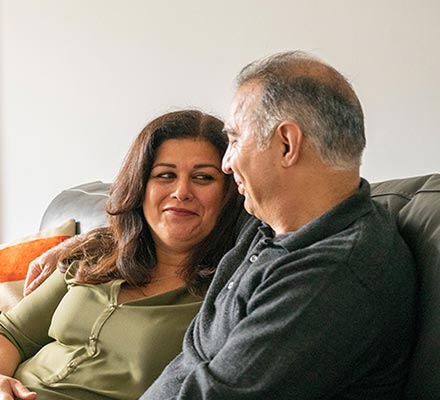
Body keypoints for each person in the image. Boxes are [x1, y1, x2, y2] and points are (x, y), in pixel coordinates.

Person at [0, 109, 245, 400]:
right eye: (165, 175)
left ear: (229, 193)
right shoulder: (100, 256)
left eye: (203, 178)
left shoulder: (224, 294)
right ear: (141, 187)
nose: (181, 192)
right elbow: (6, 332)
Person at [139, 51, 417, 399]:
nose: (226, 163)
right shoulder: (272, 225)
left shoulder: (330, 275)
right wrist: (73, 247)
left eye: (236, 140)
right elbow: (160, 219)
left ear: (287, 144)